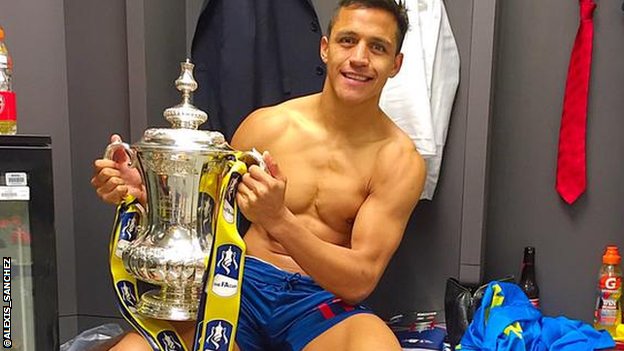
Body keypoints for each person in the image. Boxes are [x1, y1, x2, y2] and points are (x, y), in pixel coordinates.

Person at [91, 0, 425, 350]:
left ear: (395, 64)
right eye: (347, 40)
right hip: (238, 286)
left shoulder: (398, 160)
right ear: (325, 49)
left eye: (377, 47)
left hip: (319, 302)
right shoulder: (267, 125)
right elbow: (202, 209)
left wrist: (279, 219)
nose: (359, 57)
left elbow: (359, 280)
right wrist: (146, 196)